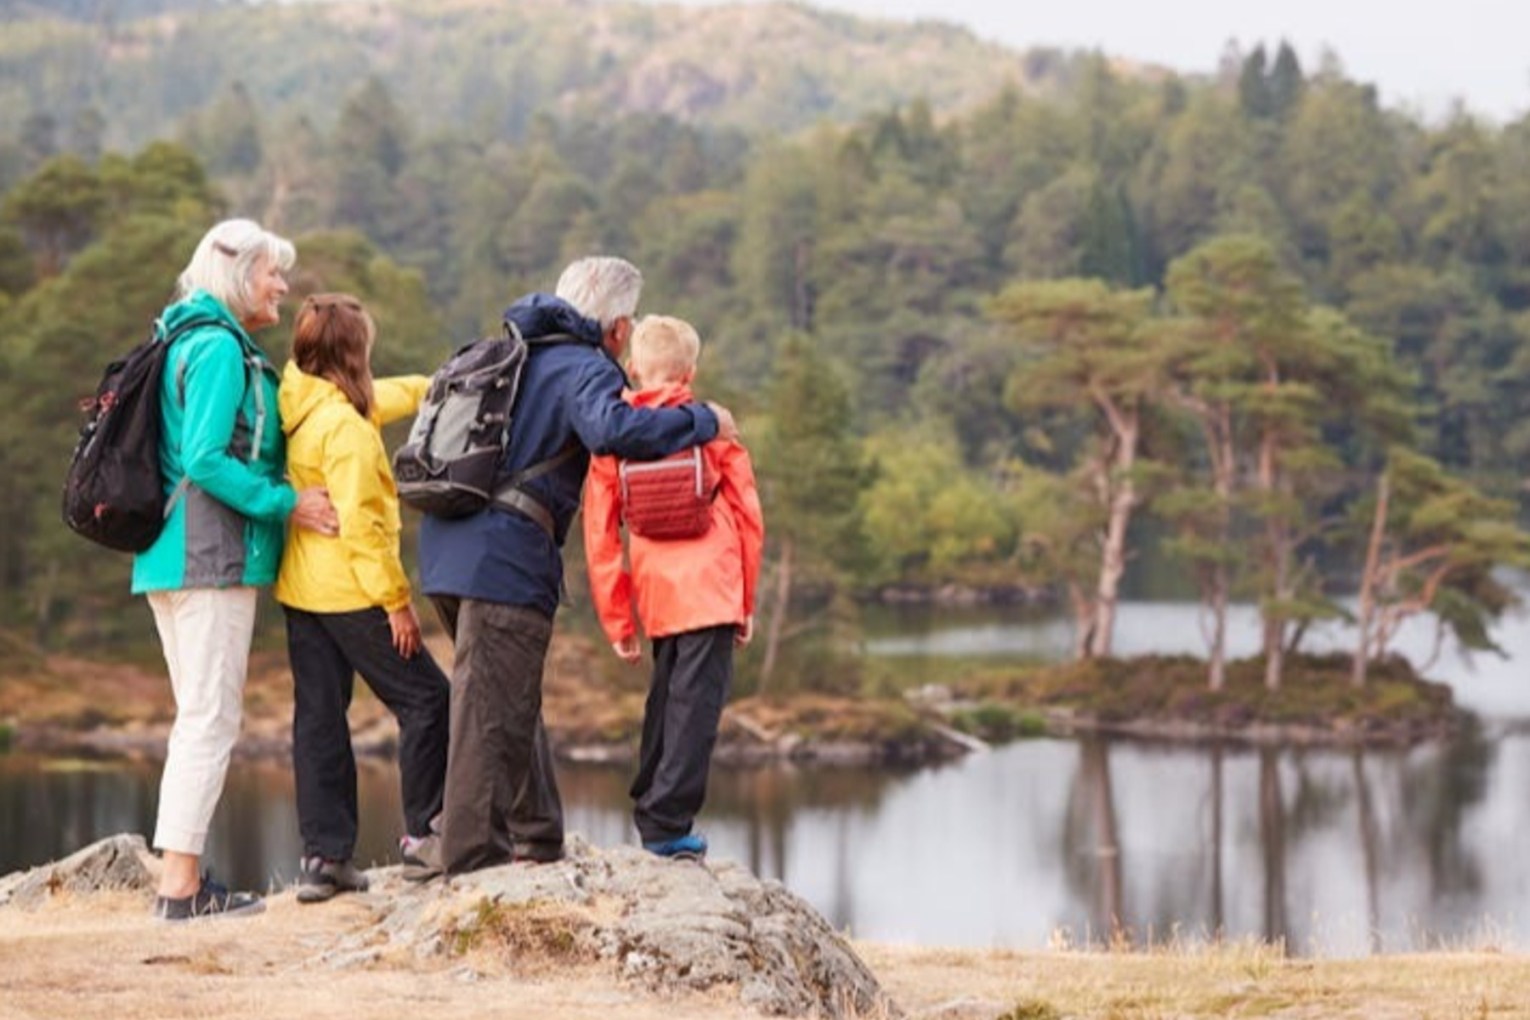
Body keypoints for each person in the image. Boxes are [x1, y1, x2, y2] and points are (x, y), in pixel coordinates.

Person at [416, 256, 737, 877]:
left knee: (506, 696)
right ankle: (467, 857)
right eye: (631, 319)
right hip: (504, 558)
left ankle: (536, 832)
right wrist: (704, 420)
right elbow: (614, 429)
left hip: (448, 547)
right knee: (488, 710)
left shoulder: (511, 354)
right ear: (616, 325)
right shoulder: (583, 367)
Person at [132, 218, 338, 921]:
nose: (281, 284)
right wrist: (287, 504)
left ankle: (180, 880)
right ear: (236, 275)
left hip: (168, 557)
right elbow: (205, 458)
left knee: (198, 716)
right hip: (208, 557)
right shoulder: (218, 348)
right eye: (270, 272)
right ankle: (181, 889)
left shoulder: (181, 337)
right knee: (210, 719)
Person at [273, 293, 451, 903]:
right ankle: (425, 837)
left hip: (301, 591)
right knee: (428, 700)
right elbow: (363, 526)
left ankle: (325, 858)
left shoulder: (300, 400)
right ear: (353, 354)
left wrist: (437, 385)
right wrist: (397, 602)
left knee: (319, 719)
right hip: (353, 592)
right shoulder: (346, 431)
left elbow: (388, 396)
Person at [582, 315, 764, 860]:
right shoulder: (714, 432)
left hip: (658, 593)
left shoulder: (615, 439)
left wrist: (618, 619)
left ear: (633, 369)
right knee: (695, 709)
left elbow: (600, 536)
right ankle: (667, 825)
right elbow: (749, 520)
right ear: (691, 372)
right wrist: (745, 601)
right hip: (713, 586)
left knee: (665, 701)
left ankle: (651, 806)